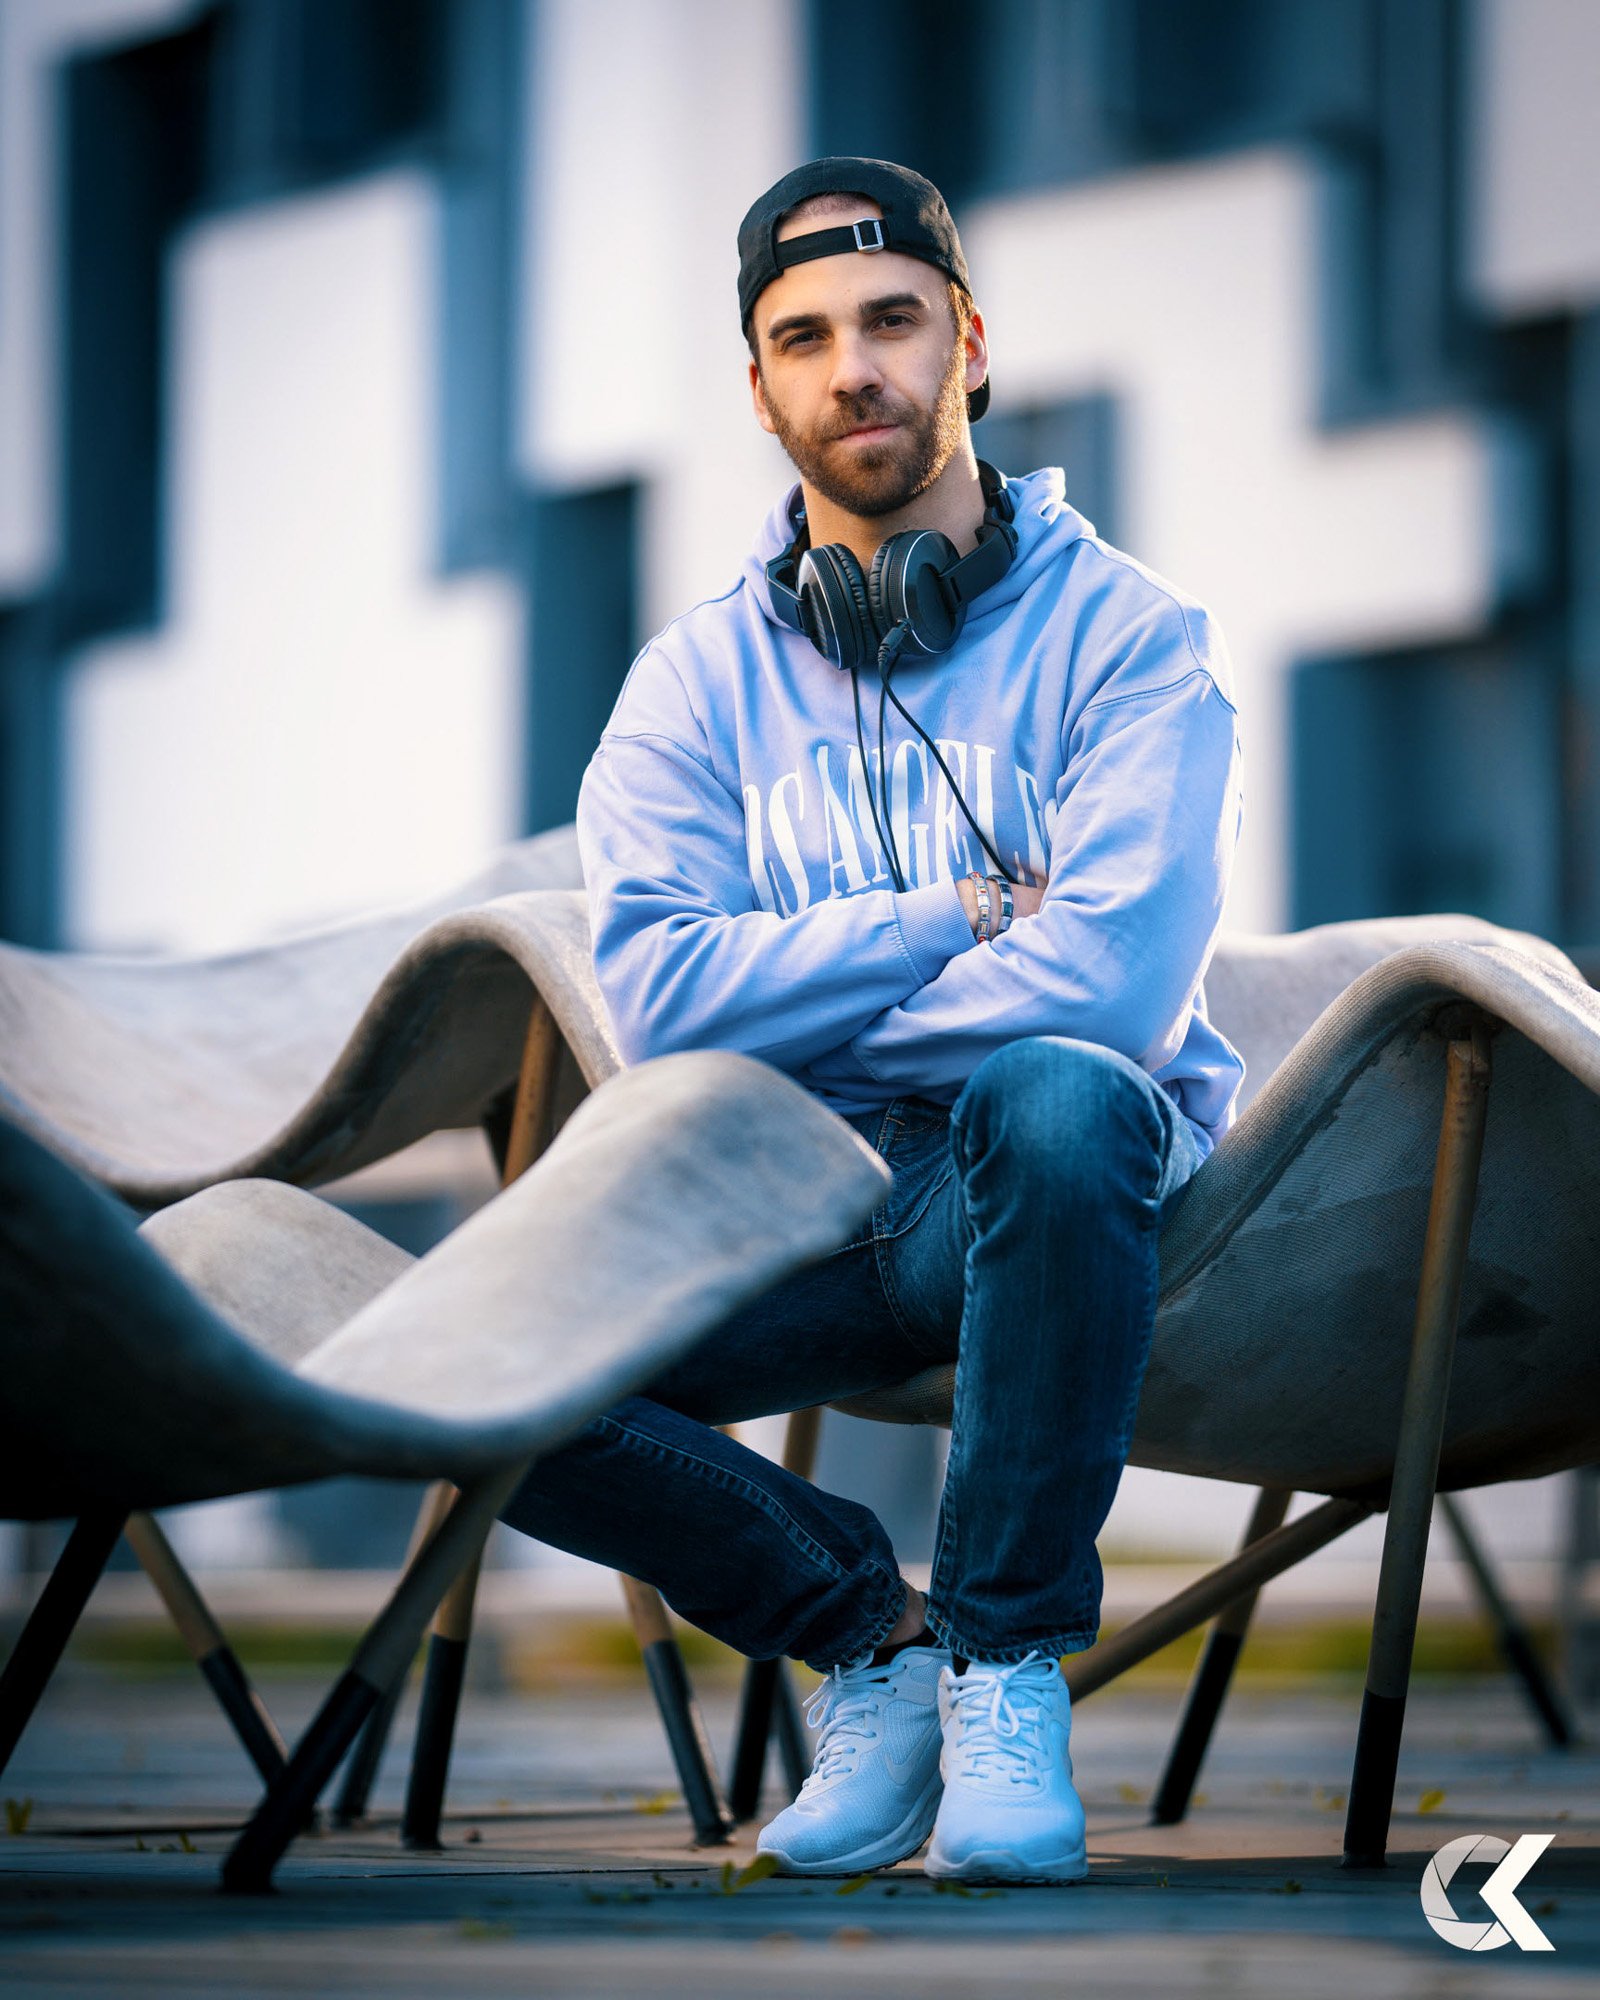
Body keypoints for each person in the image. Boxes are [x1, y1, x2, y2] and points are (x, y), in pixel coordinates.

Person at [500, 156, 1244, 1885]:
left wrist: (809, 1003)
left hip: (1062, 1189)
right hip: (807, 1206)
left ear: (970, 343)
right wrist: (958, 917)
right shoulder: (692, 687)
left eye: (893, 321)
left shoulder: (1134, 640)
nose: (856, 370)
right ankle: (871, 1645)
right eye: (805, 337)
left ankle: (1006, 1668)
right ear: (757, 388)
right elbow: (665, 1002)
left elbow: (1117, 989)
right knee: (488, 1369)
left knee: (1057, 1090)